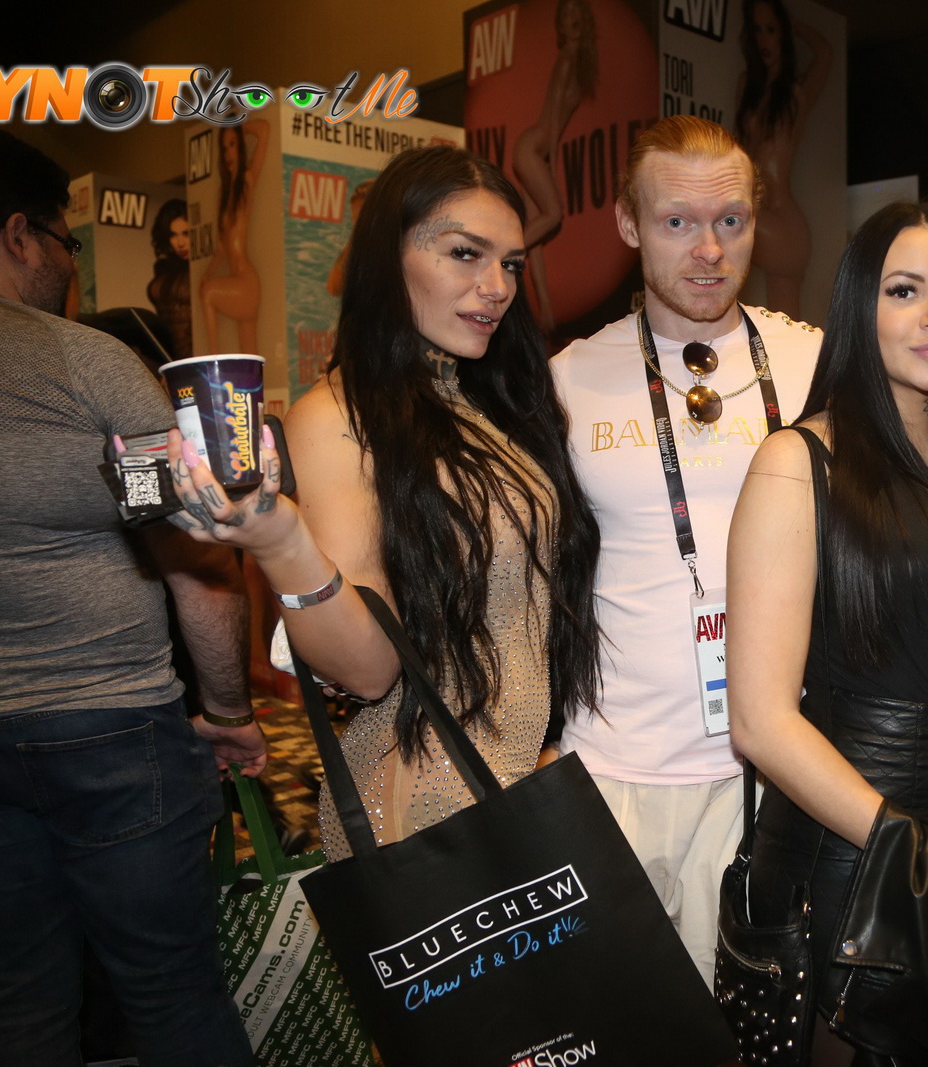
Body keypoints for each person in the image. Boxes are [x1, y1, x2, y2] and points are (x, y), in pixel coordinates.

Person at [162, 144, 601, 861]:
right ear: (386, 258)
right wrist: (281, 543)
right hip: (425, 817)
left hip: (518, 795)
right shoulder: (337, 418)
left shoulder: (488, 399)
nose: (496, 286)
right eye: (465, 253)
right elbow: (366, 671)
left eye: (512, 264)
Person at [0, 129, 263, 1067]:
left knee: (9, 999)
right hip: (110, 726)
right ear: (19, 235)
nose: (70, 265)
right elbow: (191, 554)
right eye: (66, 241)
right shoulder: (82, 362)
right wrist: (229, 712)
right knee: (169, 989)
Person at [726, 201, 928, 1063]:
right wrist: (908, 845)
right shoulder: (799, 461)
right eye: (905, 291)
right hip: (855, 855)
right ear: (858, 305)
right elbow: (760, 718)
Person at [548, 114, 823, 985]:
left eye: (730, 221)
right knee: (623, 1025)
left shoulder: (816, 363)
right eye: (677, 222)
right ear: (629, 223)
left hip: (774, 771)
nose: (708, 250)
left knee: (750, 1028)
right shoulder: (568, 378)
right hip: (610, 767)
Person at [735, 0, 831, 319]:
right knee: (785, 322)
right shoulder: (747, 88)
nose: (763, 39)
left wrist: (791, 24)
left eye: (771, 30)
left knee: (724, 220)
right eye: (757, 30)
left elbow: (825, 52)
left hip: (784, 222)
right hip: (762, 213)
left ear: (784, 35)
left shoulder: (797, 92)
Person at [512, 0, 598, 335]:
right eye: (565, 15)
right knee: (553, 214)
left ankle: (545, 314)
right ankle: (501, 255)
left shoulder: (573, 59)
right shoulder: (567, 60)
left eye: (576, 14)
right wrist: (551, 165)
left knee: (536, 236)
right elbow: (550, 122)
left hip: (533, 149)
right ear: (560, 24)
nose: (571, 20)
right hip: (535, 149)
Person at [200, 118, 267, 354]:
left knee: (209, 293)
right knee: (250, 355)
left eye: (232, 144)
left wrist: (239, 128)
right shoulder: (225, 193)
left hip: (247, 283)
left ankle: (213, 358)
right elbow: (221, 247)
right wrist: (208, 273)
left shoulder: (246, 181)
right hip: (240, 283)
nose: (228, 152)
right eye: (224, 147)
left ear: (240, 145)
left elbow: (264, 129)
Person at [146, 197, 193, 360]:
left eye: (186, 233)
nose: (180, 243)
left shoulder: (202, 268)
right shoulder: (164, 267)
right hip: (167, 354)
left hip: (197, 351)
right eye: (173, 235)